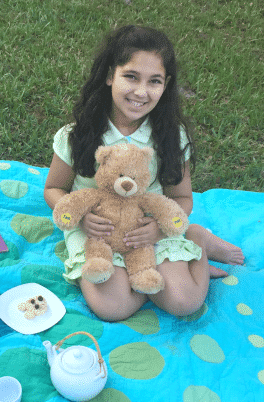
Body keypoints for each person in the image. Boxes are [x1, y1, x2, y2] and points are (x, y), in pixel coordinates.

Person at [44, 25, 244, 322]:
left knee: (184, 302)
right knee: (113, 308)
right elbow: (53, 189)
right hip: (96, 233)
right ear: (110, 75)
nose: (141, 91)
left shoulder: (170, 138)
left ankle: (197, 241)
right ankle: (156, 273)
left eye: (155, 81)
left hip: (149, 227)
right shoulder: (77, 135)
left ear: (166, 86)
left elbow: (181, 197)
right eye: (131, 76)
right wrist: (83, 218)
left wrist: (161, 229)